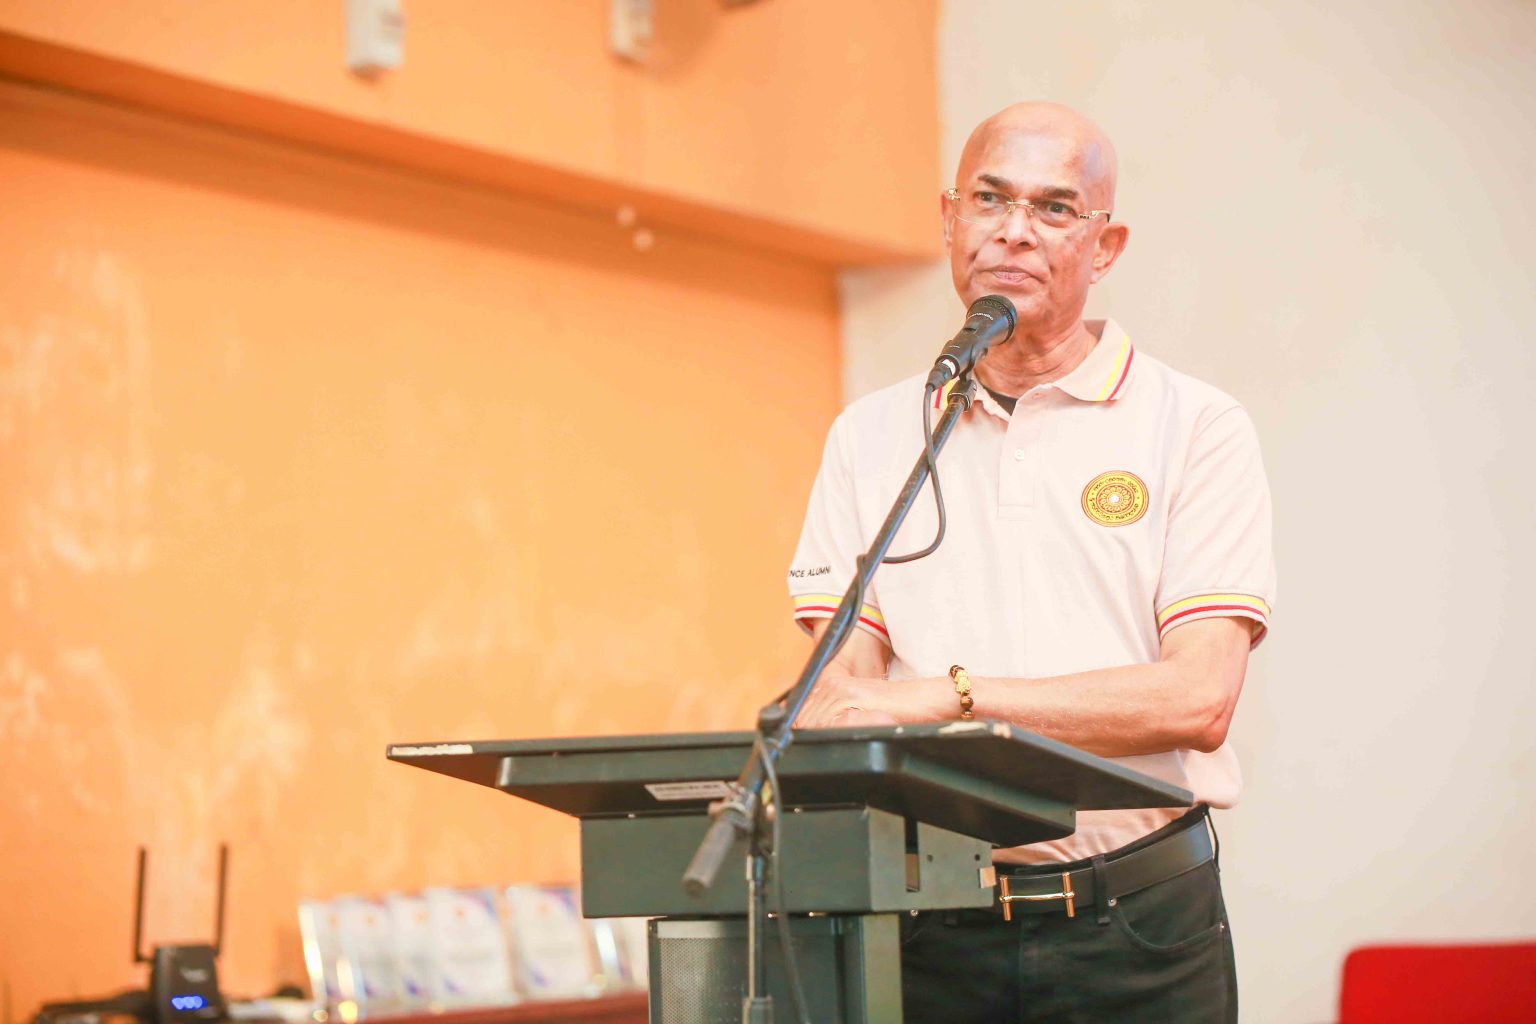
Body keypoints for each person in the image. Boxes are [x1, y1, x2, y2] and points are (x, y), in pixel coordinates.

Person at [786, 101, 1275, 1022]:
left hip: (1138, 924)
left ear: (1105, 245)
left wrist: (953, 697)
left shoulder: (1194, 425)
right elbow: (839, 692)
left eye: (1054, 208)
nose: (1014, 230)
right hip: (929, 926)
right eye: (990, 199)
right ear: (949, 219)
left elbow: (1198, 700)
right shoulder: (870, 435)